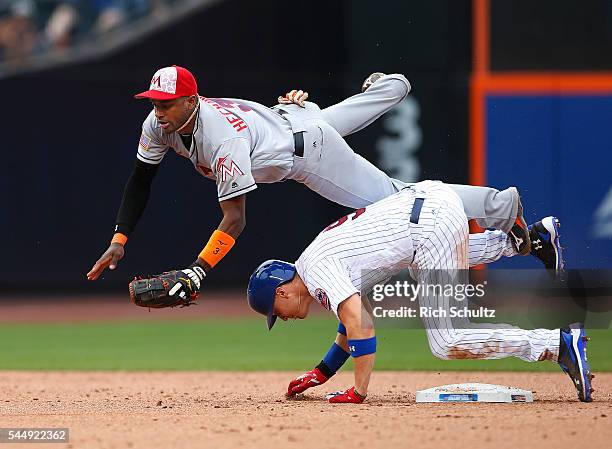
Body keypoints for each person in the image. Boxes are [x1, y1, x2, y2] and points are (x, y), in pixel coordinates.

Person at [86, 66, 532, 301]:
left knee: (401, 201)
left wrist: (198, 270)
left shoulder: (219, 139)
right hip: (295, 117)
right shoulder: (158, 125)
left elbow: (235, 219)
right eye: (154, 102)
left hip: (307, 152)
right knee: (342, 115)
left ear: (190, 100)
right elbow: (141, 178)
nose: (158, 110)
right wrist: (120, 238)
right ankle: (392, 85)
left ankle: (498, 205)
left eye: (166, 103)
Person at [246, 181, 592, 403]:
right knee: (426, 264)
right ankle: (534, 240)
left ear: (281, 293)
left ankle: (557, 345)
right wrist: (323, 372)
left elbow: (361, 326)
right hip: (427, 207)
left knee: (446, 341)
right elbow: (352, 320)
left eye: (277, 314)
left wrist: (358, 392)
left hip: (427, 227)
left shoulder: (315, 271)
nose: (284, 319)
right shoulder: (314, 264)